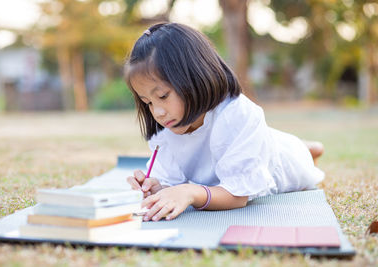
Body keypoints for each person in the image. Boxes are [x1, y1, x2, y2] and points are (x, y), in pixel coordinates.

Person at [124, 22, 324, 222]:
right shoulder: (168, 125)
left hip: (284, 162)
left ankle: (310, 148)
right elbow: (173, 181)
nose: (157, 112)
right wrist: (160, 189)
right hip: (250, 144)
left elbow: (237, 196)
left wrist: (190, 193)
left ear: (195, 76)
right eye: (147, 102)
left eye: (163, 95)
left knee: (299, 156)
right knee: (272, 140)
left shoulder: (237, 115)